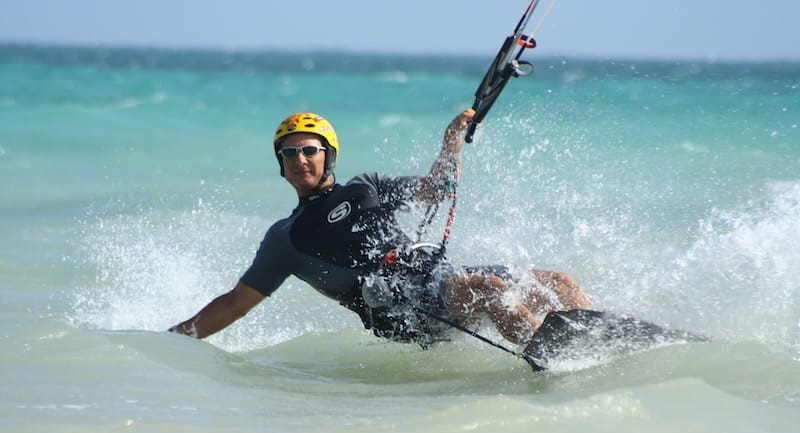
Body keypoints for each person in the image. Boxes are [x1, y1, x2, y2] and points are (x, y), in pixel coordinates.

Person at [169, 109, 591, 348]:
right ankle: (556, 356)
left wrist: (451, 143)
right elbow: (235, 303)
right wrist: (172, 342)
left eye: (309, 151)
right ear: (280, 166)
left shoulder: (366, 187)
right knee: (490, 289)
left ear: (328, 155)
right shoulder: (285, 238)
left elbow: (437, 188)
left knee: (557, 282)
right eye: (289, 153)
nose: (299, 160)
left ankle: (598, 339)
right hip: (403, 312)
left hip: (439, 278)